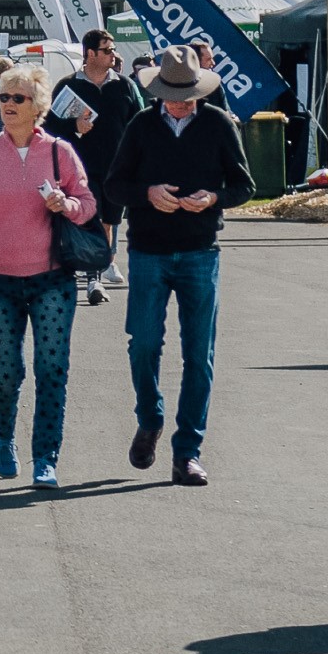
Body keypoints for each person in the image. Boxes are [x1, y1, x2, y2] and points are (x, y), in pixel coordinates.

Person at [0, 65, 94, 488]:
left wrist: (66, 205)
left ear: (38, 107)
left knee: (52, 368)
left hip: (51, 278)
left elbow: (87, 205)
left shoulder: (59, 152)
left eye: (18, 99)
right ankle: (4, 438)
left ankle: (45, 458)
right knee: (7, 369)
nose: (8, 105)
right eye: (4, 98)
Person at [111, 52, 249, 485]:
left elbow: (245, 185)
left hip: (200, 251)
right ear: (158, 93)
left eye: (189, 97)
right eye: (174, 98)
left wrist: (213, 198)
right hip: (149, 250)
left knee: (199, 357)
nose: (182, 105)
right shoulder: (141, 126)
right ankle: (150, 416)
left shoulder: (219, 124)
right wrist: (147, 192)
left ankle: (187, 452)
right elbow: (114, 185)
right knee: (144, 343)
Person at [42, 31, 134, 300]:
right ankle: (94, 277)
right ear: (91, 54)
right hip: (80, 168)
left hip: (117, 167)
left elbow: (137, 122)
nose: (113, 55)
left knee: (110, 220)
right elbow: (49, 126)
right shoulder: (68, 86)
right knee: (91, 218)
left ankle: (104, 262)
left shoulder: (124, 85)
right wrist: (74, 126)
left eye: (113, 49)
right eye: (107, 50)